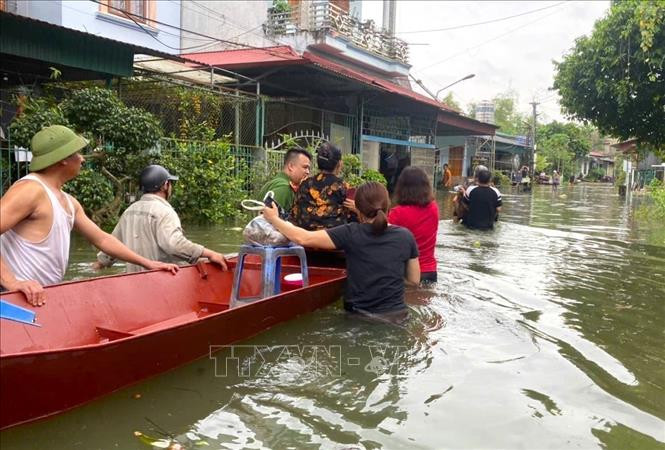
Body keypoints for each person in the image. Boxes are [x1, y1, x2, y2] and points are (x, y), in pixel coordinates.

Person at [0, 125, 178, 306]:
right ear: (63, 159)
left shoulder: (69, 202)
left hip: (39, 297)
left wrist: (148, 263)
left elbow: (103, 240)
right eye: (78, 153)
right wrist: (12, 282)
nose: (82, 159)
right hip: (11, 297)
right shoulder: (30, 190)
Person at [263, 182, 420, 323]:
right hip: (398, 316)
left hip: (360, 317)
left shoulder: (350, 233)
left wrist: (274, 219)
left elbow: (303, 238)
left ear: (357, 209)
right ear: (388, 206)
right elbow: (414, 280)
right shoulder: (406, 236)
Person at [94, 165, 228, 273]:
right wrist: (209, 253)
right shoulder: (165, 212)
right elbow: (174, 245)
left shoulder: (129, 211)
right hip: (161, 281)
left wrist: (100, 263)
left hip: (134, 282)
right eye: (170, 184)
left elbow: (114, 244)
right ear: (165, 185)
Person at [388, 167, 439, 283]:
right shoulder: (433, 208)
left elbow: (384, 237)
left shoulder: (397, 213)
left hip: (408, 273)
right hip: (430, 271)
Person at [291, 142, 354, 230]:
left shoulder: (305, 184)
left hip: (304, 238)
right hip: (331, 241)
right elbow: (353, 218)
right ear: (339, 164)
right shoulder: (343, 187)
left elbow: (295, 214)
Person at [258, 147, 312, 212]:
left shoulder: (276, 182)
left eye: (308, 168)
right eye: (305, 167)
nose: (307, 172)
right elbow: (270, 218)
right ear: (291, 166)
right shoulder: (284, 187)